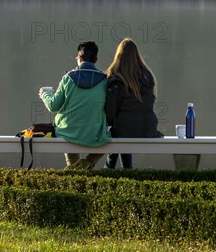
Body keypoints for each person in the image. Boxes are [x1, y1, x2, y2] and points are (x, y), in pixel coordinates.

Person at [39, 41, 110, 169]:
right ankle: (86, 164)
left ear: (79, 58)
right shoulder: (105, 80)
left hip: (67, 131)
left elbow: (53, 106)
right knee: (109, 138)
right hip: (94, 133)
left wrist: (45, 94)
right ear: (96, 59)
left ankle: (75, 169)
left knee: (68, 130)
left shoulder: (68, 78)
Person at [105, 38, 159, 169]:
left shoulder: (116, 80)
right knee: (124, 128)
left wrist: (107, 124)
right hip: (147, 130)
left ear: (119, 56)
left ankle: (107, 172)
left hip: (124, 131)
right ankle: (127, 171)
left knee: (118, 131)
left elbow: (110, 113)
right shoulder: (148, 77)